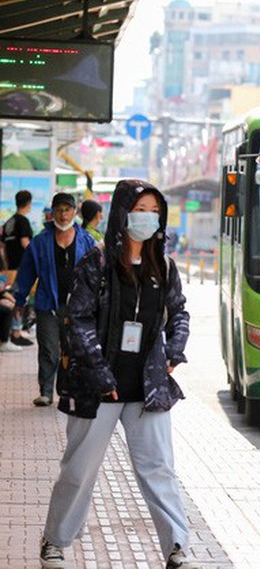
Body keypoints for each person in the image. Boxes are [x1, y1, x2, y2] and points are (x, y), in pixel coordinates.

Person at [38, 179, 196, 569]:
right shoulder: (97, 264)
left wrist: (175, 350)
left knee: (159, 470)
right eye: (140, 209)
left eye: (154, 211)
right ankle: (55, 542)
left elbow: (179, 312)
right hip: (98, 389)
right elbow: (78, 320)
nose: (147, 218)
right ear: (123, 213)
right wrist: (100, 371)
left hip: (148, 388)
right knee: (79, 470)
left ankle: (177, 548)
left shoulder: (165, 265)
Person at [14, 193, 95, 407]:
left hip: (77, 307)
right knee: (49, 349)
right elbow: (26, 274)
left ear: (74, 212)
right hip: (47, 304)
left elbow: (97, 275)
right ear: (53, 213)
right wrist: (19, 300)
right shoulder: (40, 242)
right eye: (59, 210)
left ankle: (68, 390)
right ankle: (46, 392)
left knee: (73, 350)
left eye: (67, 210)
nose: (63, 214)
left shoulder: (87, 241)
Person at [3, 189, 35, 346]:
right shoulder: (23, 221)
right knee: (19, 299)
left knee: (11, 297)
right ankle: (15, 332)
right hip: (21, 268)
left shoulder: (9, 222)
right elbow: (25, 243)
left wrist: (6, 265)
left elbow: (2, 245)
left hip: (9, 268)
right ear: (28, 203)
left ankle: (13, 331)